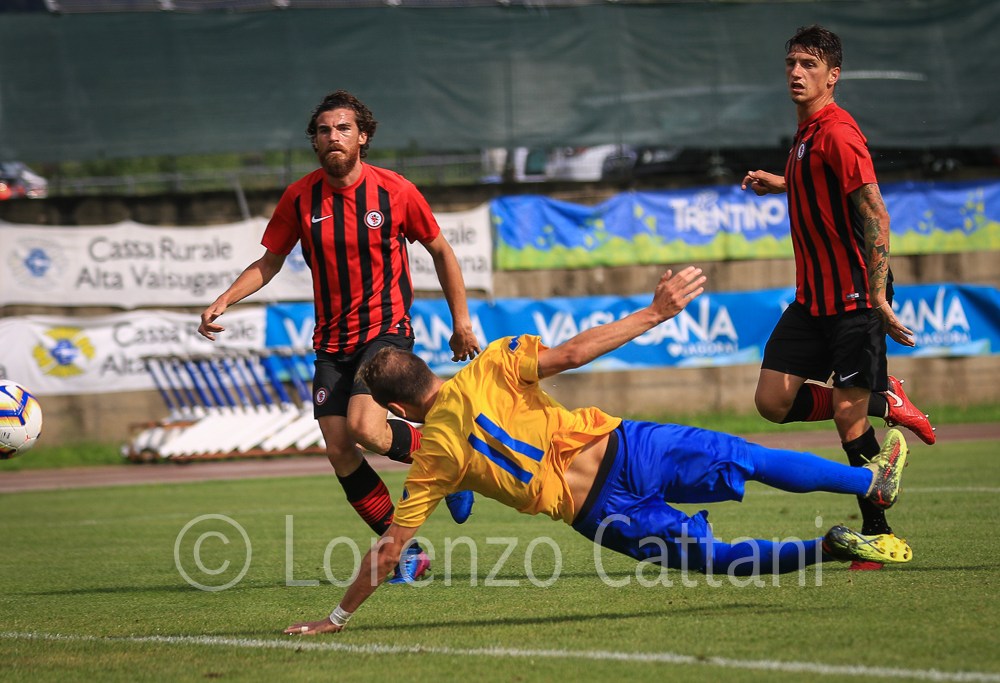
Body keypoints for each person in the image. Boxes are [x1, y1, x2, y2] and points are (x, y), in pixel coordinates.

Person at [284, 267, 912, 635]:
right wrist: (655, 312)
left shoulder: (432, 464)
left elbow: (390, 550)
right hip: (626, 445)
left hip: (602, 513)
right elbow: (575, 352)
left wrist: (334, 618)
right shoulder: (493, 361)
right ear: (426, 369)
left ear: (397, 410)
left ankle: (827, 548)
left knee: (717, 558)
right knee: (749, 456)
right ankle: (868, 484)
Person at [198, 90, 480, 583]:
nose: (334, 137)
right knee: (339, 449)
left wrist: (462, 323)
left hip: (385, 333)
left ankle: (449, 459)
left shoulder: (395, 191)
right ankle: (407, 552)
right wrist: (225, 298)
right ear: (314, 140)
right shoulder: (299, 197)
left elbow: (441, 251)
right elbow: (269, 261)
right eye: (324, 130)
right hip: (332, 343)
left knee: (365, 428)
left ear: (362, 137)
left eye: (344, 128)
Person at [739, 25, 934, 570]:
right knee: (772, 402)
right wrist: (782, 182)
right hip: (812, 301)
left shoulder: (838, 131)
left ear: (833, 75)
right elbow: (819, 185)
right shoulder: (806, 134)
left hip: (853, 300)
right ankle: (885, 400)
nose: (797, 72)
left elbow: (875, 213)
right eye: (792, 63)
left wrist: (877, 295)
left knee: (849, 422)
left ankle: (879, 536)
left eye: (809, 64)